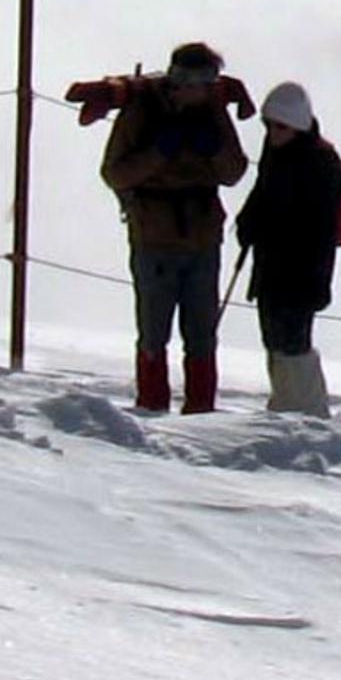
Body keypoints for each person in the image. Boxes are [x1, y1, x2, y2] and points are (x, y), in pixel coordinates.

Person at [100, 40, 249, 414]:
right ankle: (151, 408)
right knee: (154, 332)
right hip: (154, 237)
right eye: (200, 82)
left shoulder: (213, 112)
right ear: (179, 81)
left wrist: (212, 147)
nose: (205, 90)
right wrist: (158, 154)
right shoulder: (142, 110)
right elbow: (114, 173)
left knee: (202, 334)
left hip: (201, 237)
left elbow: (234, 172)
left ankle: (200, 414)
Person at [234, 81, 341, 414]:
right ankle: (285, 405)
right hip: (271, 266)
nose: (272, 132)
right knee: (274, 340)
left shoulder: (321, 162)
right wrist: (248, 222)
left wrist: (317, 281)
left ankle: (309, 411)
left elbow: (321, 229)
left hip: (301, 272)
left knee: (294, 344)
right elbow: (261, 193)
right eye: (268, 125)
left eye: (279, 126)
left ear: (297, 124)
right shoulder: (277, 153)